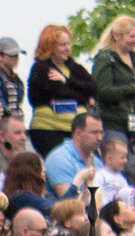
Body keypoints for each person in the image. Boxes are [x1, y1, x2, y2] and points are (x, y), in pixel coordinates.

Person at [26, 25, 96, 153]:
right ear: (51, 47)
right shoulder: (41, 68)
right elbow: (61, 93)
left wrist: (67, 81)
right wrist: (84, 98)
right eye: (62, 45)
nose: (67, 48)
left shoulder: (73, 67)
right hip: (49, 128)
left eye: (68, 44)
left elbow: (93, 87)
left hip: (74, 129)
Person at [92, 16, 135, 142]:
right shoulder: (106, 58)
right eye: (131, 36)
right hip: (114, 126)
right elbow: (103, 91)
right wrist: (132, 90)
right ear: (116, 36)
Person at [45, 110, 105, 198]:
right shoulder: (59, 159)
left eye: (101, 133)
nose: (100, 138)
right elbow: (69, 203)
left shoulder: (98, 162)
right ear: (78, 133)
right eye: (94, 133)